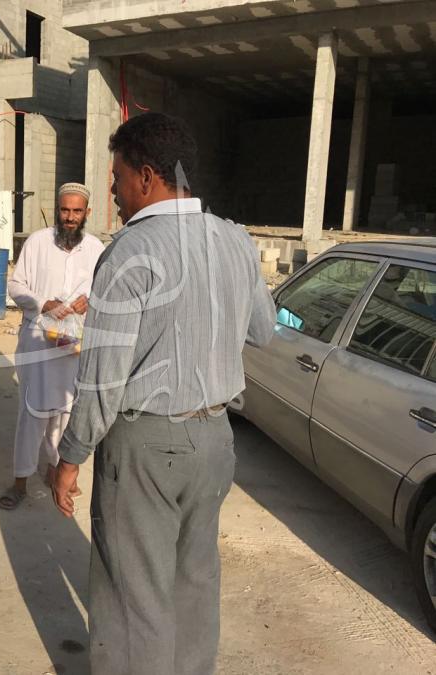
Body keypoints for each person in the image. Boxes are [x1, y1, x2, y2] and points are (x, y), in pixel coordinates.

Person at [52, 113, 276, 675]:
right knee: (195, 578)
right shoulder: (235, 239)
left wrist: (71, 457)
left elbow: (102, 379)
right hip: (215, 440)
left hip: (146, 445)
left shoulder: (129, 251)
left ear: (147, 177)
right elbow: (263, 331)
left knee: (135, 594)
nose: (112, 191)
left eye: (117, 177)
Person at [1, 182, 105, 509]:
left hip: (74, 346)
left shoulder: (96, 248)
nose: (70, 217)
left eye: (77, 211)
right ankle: (20, 481)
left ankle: (57, 471)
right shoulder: (37, 242)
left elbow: (104, 291)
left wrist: (91, 301)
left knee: (66, 412)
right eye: (65, 210)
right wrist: (42, 303)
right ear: (57, 210)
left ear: (87, 213)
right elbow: (15, 286)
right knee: (32, 414)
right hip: (38, 345)